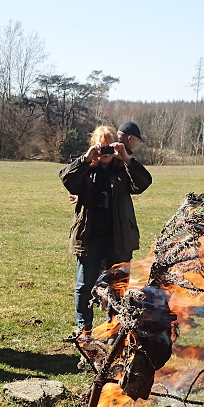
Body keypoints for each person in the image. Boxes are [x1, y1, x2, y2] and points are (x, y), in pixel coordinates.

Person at [59, 124, 152, 335]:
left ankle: (114, 329)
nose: (106, 153)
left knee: (118, 287)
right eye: (102, 148)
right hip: (89, 237)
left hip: (118, 238)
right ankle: (84, 329)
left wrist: (127, 158)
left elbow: (144, 183)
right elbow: (67, 180)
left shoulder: (122, 171)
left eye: (110, 148)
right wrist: (85, 159)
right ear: (94, 147)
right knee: (85, 286)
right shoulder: (86, 170)